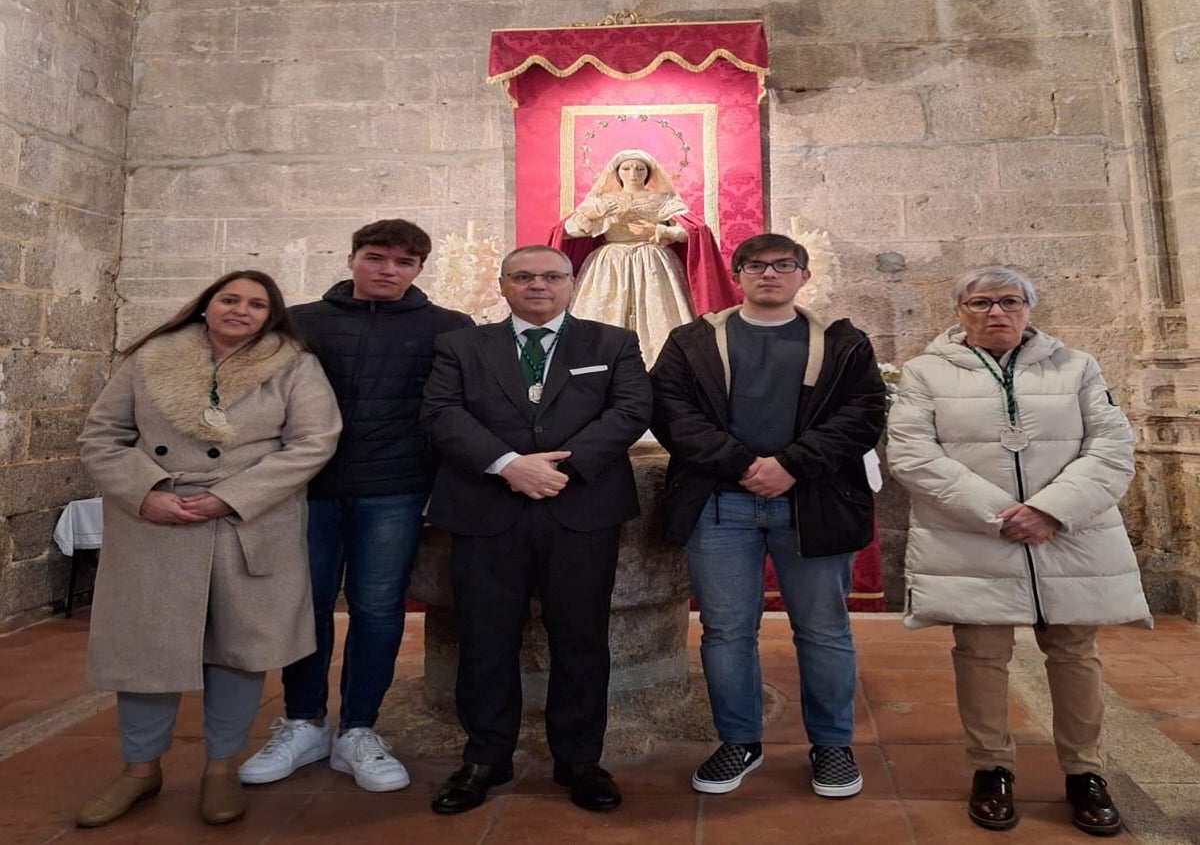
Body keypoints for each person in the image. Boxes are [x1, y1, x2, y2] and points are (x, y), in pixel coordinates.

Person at [886, 266, 1152, 836]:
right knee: (980, 653)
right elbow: (911, 454)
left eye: (1010, 301)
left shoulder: (1076, 366)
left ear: (1030, 308)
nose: (996, 313)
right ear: (960, 311)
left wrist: (1052, 510)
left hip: (1068, 534)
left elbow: (1111, 446)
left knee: (1075, 652)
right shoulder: (926, 372)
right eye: (980, 303)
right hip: (978, 534)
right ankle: (991, 770)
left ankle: (1085, 774)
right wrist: (999, 513)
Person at [75, 270, 341, 827]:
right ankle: (139, 771)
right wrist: (144, 492)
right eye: (230, 299)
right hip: (156, 521)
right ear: (206, 305)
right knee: (144, 651)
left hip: (248, 520)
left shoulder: (293, 363)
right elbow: (101, 436)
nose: (241, 310)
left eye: (256, 304)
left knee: (238, 651)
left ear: (271, 315)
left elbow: (315, 441)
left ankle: (221, 768)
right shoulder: (149, 358)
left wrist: (233, 497)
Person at [238, 220, 473, 792]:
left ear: (420, 269)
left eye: (402, 262)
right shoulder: (300, 322)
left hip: (394, 489)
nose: (387, 270)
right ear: (351, 259)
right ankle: (303, 722)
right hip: (307, 489)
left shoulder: (449, 329)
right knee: (307, 605)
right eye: (376, 257)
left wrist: (438, 491)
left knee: (376, 608)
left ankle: (360, 730)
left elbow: (453, 412)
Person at [650, 233, 885, 799]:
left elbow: (864, 413)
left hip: (813, 502)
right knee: (727, 631)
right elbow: (671, 413)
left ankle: (832, 746)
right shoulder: (694, 340)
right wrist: (742, 465)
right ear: (738, 274)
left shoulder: (842, 342)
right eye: (756, 265)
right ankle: (739, 740)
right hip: (720, 505)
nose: (770, 274)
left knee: (824, 630)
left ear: (804, 275)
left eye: (784, 265)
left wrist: (791, 466)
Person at [421, 244, 651, 814]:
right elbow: (441, 413)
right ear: (503, 285)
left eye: (551, 276)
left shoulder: (612, 343)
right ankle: (484, 757)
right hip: (485, 509)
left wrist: (559, 469)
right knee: (485, 637)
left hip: (581, 510)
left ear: (571, 283)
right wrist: (508, 465)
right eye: (523, 277)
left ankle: (579, 759)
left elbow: (630, 410)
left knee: (580, 637)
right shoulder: (460, 346)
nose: (538, 286)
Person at [551, 148, 739, 365]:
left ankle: (664, 365)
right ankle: (600, 364)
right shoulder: (601, 200)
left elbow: (691, 231)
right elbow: (568, 231)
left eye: (640, 168)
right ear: (617, 172)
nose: (633, 173)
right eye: (627, 168)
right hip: (610, 262)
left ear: (649, 173)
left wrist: (660, 232)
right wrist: (591, 216)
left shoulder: (663, 199)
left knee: (659, 314)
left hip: (653, 262)